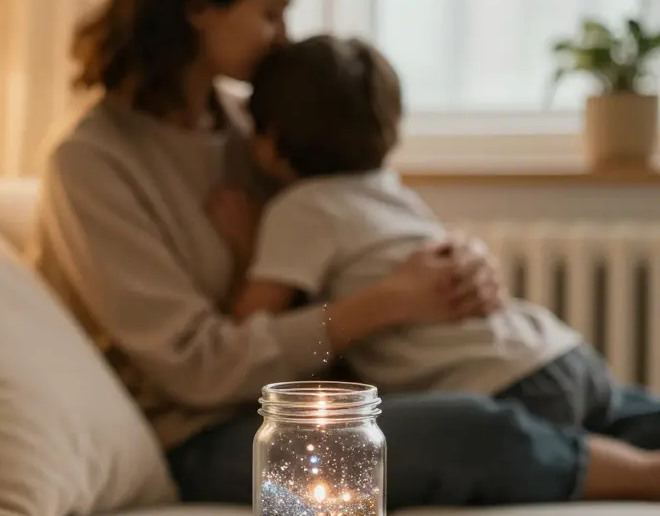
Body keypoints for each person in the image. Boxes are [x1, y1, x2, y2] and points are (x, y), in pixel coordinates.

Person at [28, 0, 660, 510]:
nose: (284, 38)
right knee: (473, 428)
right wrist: (386, 304)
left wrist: (461, 265)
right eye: (271, 12)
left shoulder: (254, 130)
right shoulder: (93, 165)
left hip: (344, 386)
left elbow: (363, 224)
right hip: (213, 431)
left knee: (618, 403)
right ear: (197, 3)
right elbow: (198, 369)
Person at [235, 34, 660, 447]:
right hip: (559, 352)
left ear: (270, 141)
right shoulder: (388, 189)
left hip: (505, 382)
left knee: (548, 449)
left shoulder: (297, 210)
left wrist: (239, 238)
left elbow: (251, 325)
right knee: (625, 419)